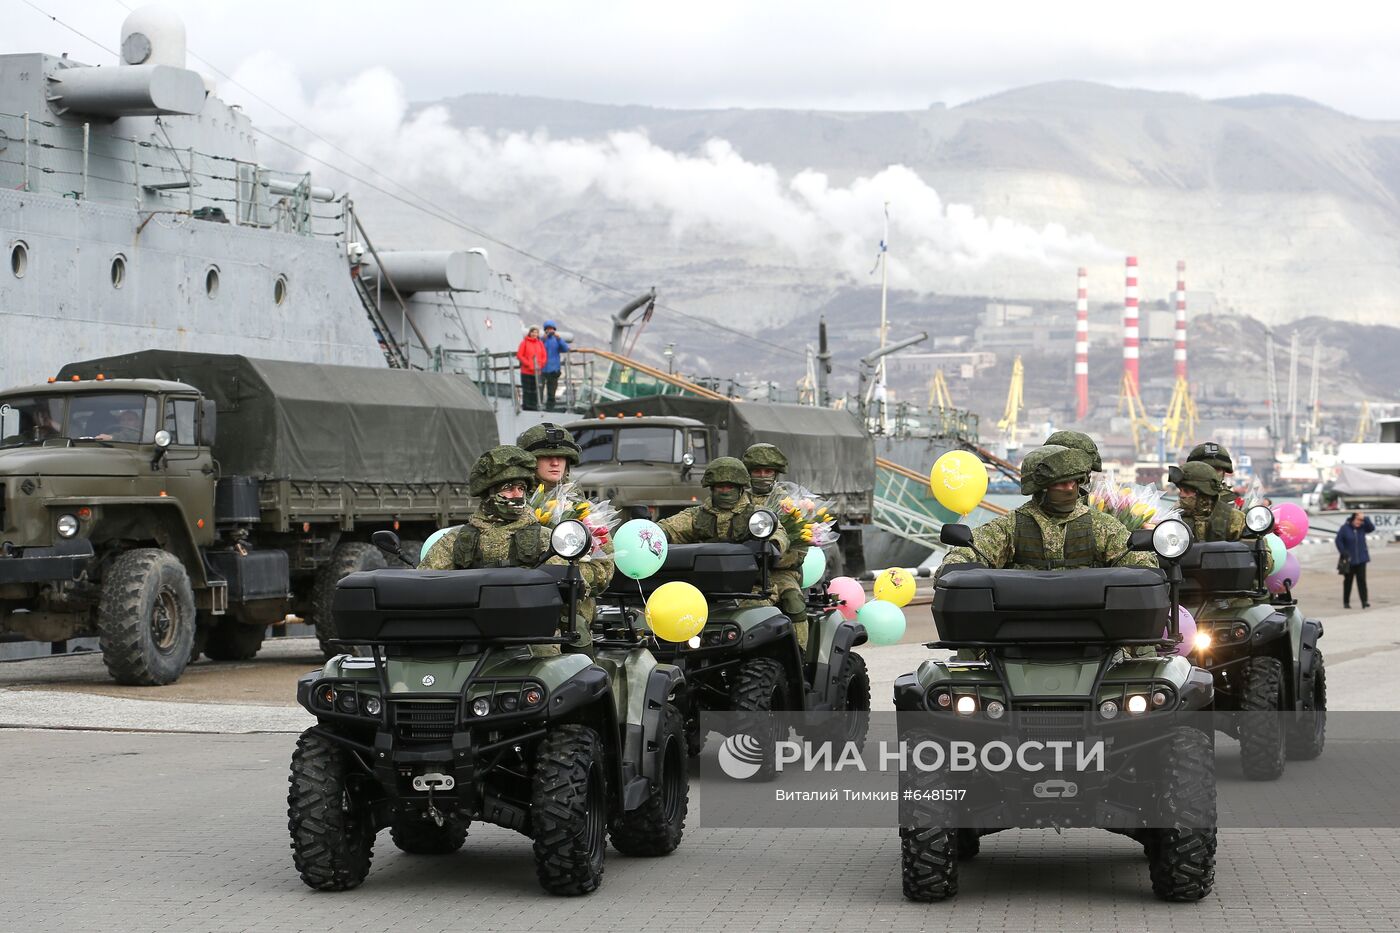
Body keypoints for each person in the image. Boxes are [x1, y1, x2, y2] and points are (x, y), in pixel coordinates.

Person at [419, 445, 587, 653]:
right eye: (508, 488)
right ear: (489, 493)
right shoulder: (458, 540)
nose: (516, 495)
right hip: (470, 638)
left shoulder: (545, 539)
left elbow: (569, 596)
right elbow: (425, 587)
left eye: (521, 488)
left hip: (532, 639)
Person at [940, 445, 1158, 571]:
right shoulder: (1011, 526)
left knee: (1141, 648)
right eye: (1061, 483)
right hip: (1022, 624)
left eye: (1074, 481)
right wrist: (955, 566)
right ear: (1041, 488)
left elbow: (1137, 560)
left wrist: (1145, 568)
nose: (1070, 488)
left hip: (1089, 624)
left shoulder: (1101, 526)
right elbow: (972, 549)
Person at [516, 422, 614, 624]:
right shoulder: (512, 504)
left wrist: (565, 574)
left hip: (570, 616)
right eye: (546, 457)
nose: (555, 462)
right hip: (518, 608)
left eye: (561, 457)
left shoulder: (584, 512)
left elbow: (604, 569)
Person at [658, 457, 791, 605]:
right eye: (720, 486)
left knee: (769, 613)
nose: (725, 491)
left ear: (740, 488)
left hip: (751, 590)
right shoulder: (695, 515)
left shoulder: (758, 515)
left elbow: (779, 534)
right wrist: (655, 534)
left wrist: (772, 545)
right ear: (712, 488)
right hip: (700, 590)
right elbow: (671, 527)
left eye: (730, 487)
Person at [742, 443, 810, 648]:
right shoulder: (738, 500)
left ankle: (800, 654)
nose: (762, 475)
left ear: (776, 473)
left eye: (768, 471)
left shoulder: (790, 503)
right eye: (757, 471)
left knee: (794, 602)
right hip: (743, 571)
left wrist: (774, 557)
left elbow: (799, 550)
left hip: (781, 572)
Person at [1173, 461, 1245, 542]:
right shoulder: (1175, 518)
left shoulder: (1234, 518)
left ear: (1203, 493)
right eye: (1180, 490)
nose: (1181, 495)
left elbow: (1248, 549)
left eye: (1186, 491)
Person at [1336, 511, 1375, 609]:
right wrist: (1343, 552)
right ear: (1353, 519)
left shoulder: (1362, 527)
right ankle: (1346, 602)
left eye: (1361, 520)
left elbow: (1372, 528)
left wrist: (1364, 517)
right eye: (1358, 520)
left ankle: (1364, 601)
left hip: (1361, 559)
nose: (1359, 522)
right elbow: (1338, 540)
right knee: (1348, 581)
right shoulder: (1345, 528)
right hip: (1349, 560)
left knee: (1362, 581)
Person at [540, 321, 570, 412]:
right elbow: (536, 348)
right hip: (542, 369)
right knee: (539, 388)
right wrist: (542, 339)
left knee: (552, 391)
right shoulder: (542, 340)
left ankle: (550, 408)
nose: (550, 331)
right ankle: (539, 405)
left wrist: (559, 339)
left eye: (552, 329)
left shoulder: (557, 340)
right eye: (548, 329)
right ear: (545, 330)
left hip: (554, 369)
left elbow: (565, 349)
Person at [516, 327, 547, 412]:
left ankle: (534, 407)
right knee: (527, 390)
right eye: (533, 332)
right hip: (526, 371)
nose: (534, 334)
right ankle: (527, 407)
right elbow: (520, 355)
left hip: (537, 371)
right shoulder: (524, 343)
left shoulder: (540, 343)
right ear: (530, 333)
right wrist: (529, 364)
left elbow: (544, 356)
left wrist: (540, 365)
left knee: (535, 390)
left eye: (536, 332)